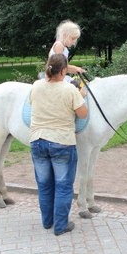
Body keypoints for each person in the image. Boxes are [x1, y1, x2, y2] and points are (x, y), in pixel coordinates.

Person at [29, 53, 88, 236]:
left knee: (44, 184)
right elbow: (83, 113)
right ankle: (61, 225)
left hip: (37, 140)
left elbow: (32, 103)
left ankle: (47, 222)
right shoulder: (69, 90)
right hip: (62, 142)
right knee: (63, 186)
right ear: (63, 70)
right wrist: (82, 95)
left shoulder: (36, 86)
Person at [49, 20, 86, 84]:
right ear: (65, 35)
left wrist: (76, 69)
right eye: (72, 39)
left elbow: (64, 67)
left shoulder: (63, 47)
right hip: (56, 78)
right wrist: (75, 69)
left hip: (60, 76)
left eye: (75, 39)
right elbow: (60, 66)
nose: (74, 42)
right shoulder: (59, 46)